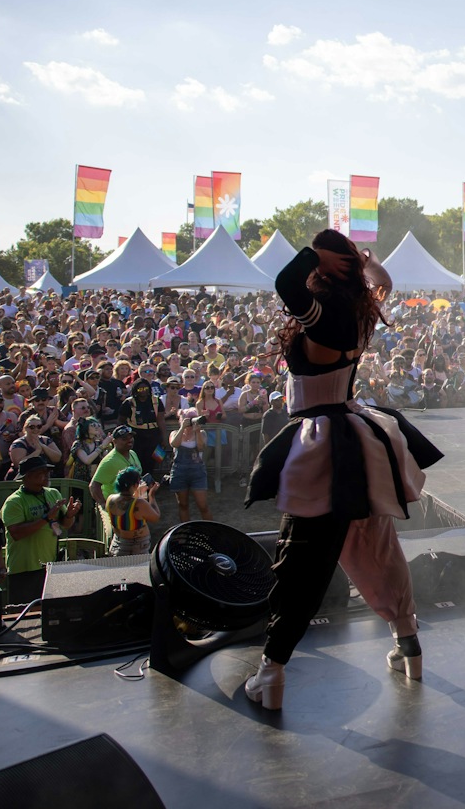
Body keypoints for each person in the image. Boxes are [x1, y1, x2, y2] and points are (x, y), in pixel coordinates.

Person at [244, 230, 442, 711]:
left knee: (303, 561)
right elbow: (385, 281)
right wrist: (359, 260)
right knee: (377, 545)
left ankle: (272, 671)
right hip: (359, 438)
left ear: (326, 265)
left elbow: (285, 282)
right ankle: (409, 644)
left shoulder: (326, 318)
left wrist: (321, 256)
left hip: (323, 445)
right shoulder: (355, 311)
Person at [0, 455, 80, 576]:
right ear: (27, 476)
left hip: (49, 565)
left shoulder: (53, 493)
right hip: (23, 569)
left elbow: (65, 525)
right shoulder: (14, 502)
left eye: (47, 471)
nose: (47, 475)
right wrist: (46, 518)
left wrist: (69, 515)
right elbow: (16, 533)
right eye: (41, 472)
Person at [105, 466, 161, 556]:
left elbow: (126, 504)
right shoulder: (139, 503)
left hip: (118, 544)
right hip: (136, 547)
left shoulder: (110, 499)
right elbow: (156, 517)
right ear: (135, 485)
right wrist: (152, 496)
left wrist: (137, 493)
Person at [168, 408, 212, 522]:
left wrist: (197, 431)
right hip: (179, 471)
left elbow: (201, 447)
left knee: (203, 506)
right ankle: (186, 529)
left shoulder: (201, 433)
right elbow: (174, 444)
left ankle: (211, 530)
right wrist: (182, 428)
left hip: (197, 471)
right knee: (183, 505)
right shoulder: (174, 433)